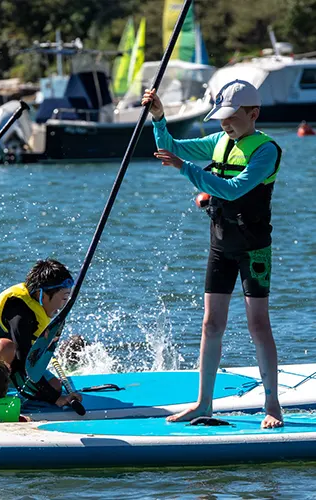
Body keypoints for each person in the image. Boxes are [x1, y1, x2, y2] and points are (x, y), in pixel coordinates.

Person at [142, 80, 283, 428]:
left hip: (253, 249)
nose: (224, 124)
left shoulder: (266, 151)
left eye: (232, 118)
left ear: (253, 114)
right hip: (220, 244)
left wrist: (185, 169)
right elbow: (171, 147)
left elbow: (233, 190)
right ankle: (204, 403)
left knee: (258, 324)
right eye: (221, 118)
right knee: (211, 323)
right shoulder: (219, 141)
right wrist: (159, 119)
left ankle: (273, 405)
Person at [0, 259, 82, 408]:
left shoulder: (37, 306)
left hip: (8, 362)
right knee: (6, 347)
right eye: (64, 298)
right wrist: (55, 399)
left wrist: (53, 393)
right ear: (41, 294)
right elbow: (24, 361)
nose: (63, 305)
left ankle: (12, 388)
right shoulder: (19, 311)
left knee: (55, 386)